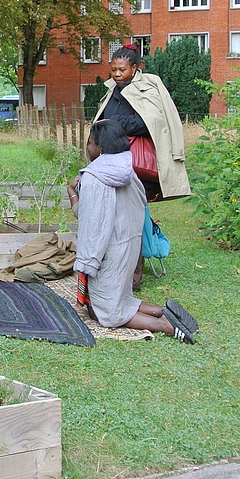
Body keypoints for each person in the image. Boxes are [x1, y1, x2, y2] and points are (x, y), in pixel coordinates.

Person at [72, 119, 198, 343]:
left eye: (90, 144)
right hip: (129, 248)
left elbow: (93, 224)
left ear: (100, 148)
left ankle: (165, 326)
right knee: (120, 298)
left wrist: (87, 262)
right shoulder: (129, 173)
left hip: (106, 254)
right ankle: (162, 310)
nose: (88, 149)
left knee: (108, 314)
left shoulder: (93, 177)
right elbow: (140, 207)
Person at [93, 44, 191, 202]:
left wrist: (114, 122)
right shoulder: (111, 90)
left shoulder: (146, 89)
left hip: (138, 164)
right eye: (113, 69)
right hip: (114, 163)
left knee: (136, 210)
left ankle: (146, 228)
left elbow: (151, 123)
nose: (116, 74)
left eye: (122, 70)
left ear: (133, 68)